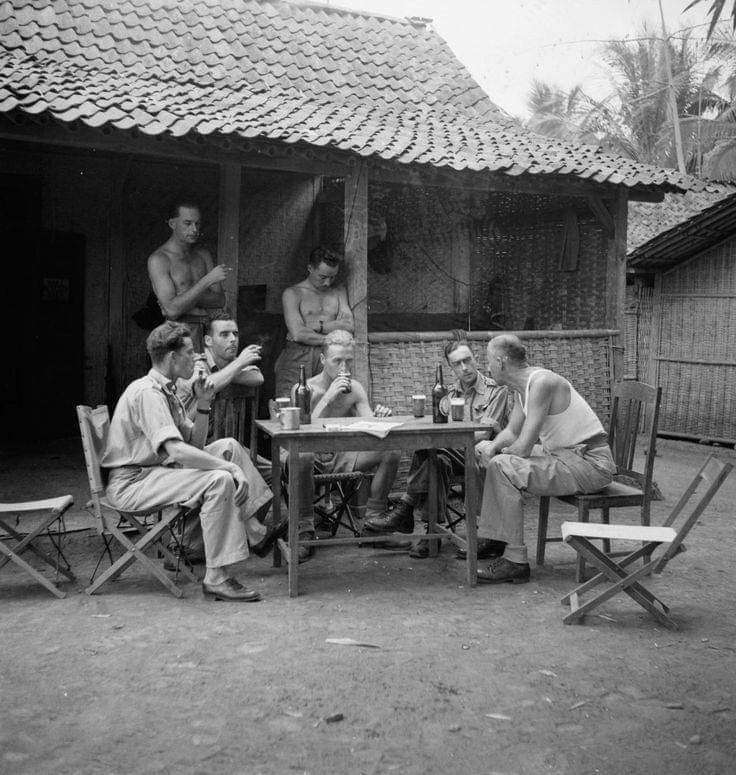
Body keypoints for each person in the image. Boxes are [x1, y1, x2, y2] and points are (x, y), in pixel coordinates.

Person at [101, 321, 273, 602]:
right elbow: (178, 451)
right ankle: (217, 577)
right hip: (133, 482)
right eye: (190, 352)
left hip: (154, 471)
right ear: (172, 357)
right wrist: (229, 468)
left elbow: (195, 444)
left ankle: (254, 532)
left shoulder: (166, 390)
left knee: (228, 446)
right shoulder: (147, 393)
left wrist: (204, 403)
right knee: (219, 479)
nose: (196, 357)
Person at [473, 334, 616, 584]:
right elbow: (512, 432)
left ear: (500, 361)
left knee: (502, 465)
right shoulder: (522, 389)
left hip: (591, 464)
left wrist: (496, 454)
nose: (487, 367)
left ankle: (516, 561)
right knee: (485, 453)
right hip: (566, 457)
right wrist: (491, 447)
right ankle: (497, 539)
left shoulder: (542, 383)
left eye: (488, 360)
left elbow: (523, 447)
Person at [364, 334, 514, 559]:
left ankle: (408, 510)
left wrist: (443, 441)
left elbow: (483, 433)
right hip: (454, 457)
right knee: (436, 460)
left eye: (467, 360)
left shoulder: (496, 390)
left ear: (475, 358)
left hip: (482, 455)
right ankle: (431, 531)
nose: (464, 367)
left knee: (433, 450)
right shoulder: (448, 394)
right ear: (451, 367)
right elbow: (437, 428)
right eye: (457, 363)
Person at [175, 311, 284, 561]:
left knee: (278, 469)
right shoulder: (195, 364)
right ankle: (253, 533)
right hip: (190, 450)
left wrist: (229, 369)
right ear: (208, 341)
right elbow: (207, 386)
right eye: (224, 334)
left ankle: (253, 531)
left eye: (235, 333)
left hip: (217, 449)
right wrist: (238, 364)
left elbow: (257, 377)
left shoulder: (228, 364)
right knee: (235, 459)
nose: (233, 339)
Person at [288, 329, 400, 562]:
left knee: (391, 450)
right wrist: (328, 397)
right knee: (303, 454)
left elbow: (371, 427)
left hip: (342, 456)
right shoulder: (304, 389)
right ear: (322, 359)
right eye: (337, 360)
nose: (344, 368)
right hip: (309, 457)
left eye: (348, 361)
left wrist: (380, 417)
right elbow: (301, 431)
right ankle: (304, 529)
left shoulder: (355, 389)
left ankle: (374, 523)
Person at [273, 246, 354, 399]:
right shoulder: (293, 293)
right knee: (292, 401)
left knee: (331, 400)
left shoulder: (338, 291)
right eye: (322, 277)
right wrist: (332, 337)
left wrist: (318, 326)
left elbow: (349, 325)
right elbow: (298, 334)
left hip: (328, 355)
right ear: (310, 268)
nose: (328, 282)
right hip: (298, 355)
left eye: (332, 277)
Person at [147, 200, 230, 350]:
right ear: (172, 224)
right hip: (180, 334)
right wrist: (207, 281)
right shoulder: (159, 259)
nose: (194, 229)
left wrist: (182, 298)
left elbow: (219, 300)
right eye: (187, 223)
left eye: (197, 223)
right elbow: (172, 311)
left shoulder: (203, 254)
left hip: (208, 330)